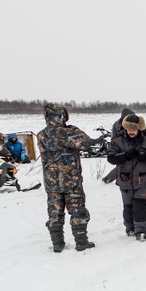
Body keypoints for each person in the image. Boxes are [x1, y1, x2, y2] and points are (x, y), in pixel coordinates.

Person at [37, 104, 94, 253]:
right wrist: (74, 130)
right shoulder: (67, 133)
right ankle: (81, 242)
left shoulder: (41, 135)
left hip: (52, 182)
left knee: (54, 212)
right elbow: (87, 144)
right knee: (77, 210)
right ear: (61, 116)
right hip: (71, 181)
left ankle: (57, 244)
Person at [107, 113, 146, 241]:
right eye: (129, 129)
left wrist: (144, 156)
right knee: (128, 205)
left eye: (133, 129)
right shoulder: (117, 141)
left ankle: (141, 231)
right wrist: (125, 155)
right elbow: (111, 158)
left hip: (142, 179)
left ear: (139, 129)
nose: (131, 132)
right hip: (125, 180)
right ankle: (130, 228)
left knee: (140, 204)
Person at [103, 107, 136, 184]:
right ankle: (108, 179)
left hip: (128, 146)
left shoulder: (129, 123)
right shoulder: (117, 125)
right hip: (120, 147)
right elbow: (114, 138)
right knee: (121, 166)